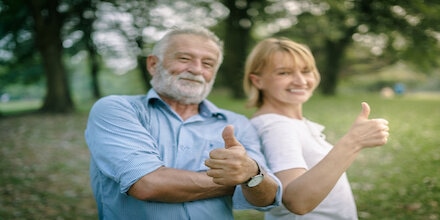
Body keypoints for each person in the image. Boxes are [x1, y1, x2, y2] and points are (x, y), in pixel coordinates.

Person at [84, 26, 282, 220]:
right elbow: (147, 184)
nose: (196, 70)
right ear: (153, 64)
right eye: (184, 59)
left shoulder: (236, 123)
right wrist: (244, 180)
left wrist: (252, 173)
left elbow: (267, 197)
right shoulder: (118, 109)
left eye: (207, 64)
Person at [243, 37, 390, 220]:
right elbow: (297, 201)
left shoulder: (287, 122)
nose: (300, 81)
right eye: (284, 73)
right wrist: (353, 142)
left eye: (306, 71)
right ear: (257, 81)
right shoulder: (277, 127)